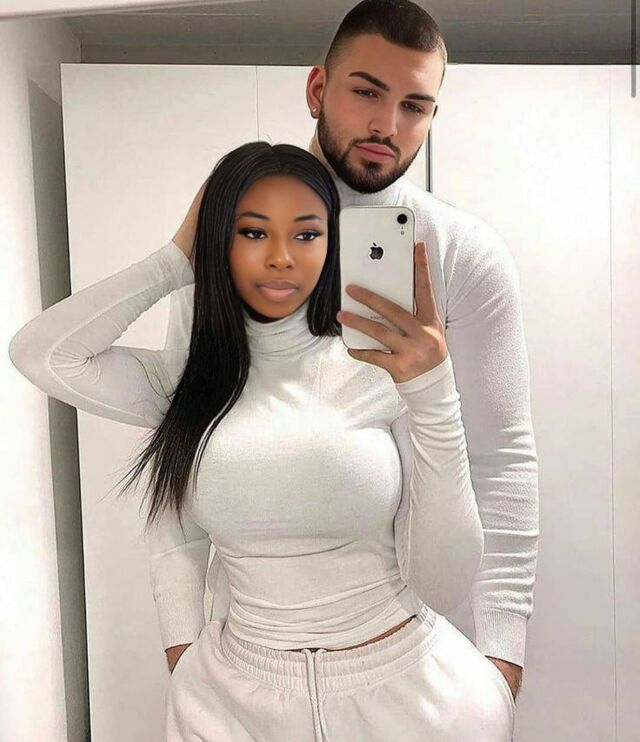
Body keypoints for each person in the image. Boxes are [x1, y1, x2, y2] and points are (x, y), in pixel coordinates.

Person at [8, 141, 517, 741]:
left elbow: (445, 582)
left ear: (332, 245)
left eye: (306, 234)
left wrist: (432, 391)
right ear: (216, 240)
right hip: (235, 704)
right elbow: (42, 354)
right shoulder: (188, 383)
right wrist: (175, 260)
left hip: (411, 696)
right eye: (252, 232)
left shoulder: (383, 369)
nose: (280, 257)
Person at [161, 0, 539, 717]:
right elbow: (178, 434)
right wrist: (181, 646)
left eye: (415, 106)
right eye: (367, 92)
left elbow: (504, 459)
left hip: (419, 656)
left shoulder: (464, 256)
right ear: (317, 89)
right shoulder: (235, 242)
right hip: (253, 665)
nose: (386, 125)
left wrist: (503, 656)